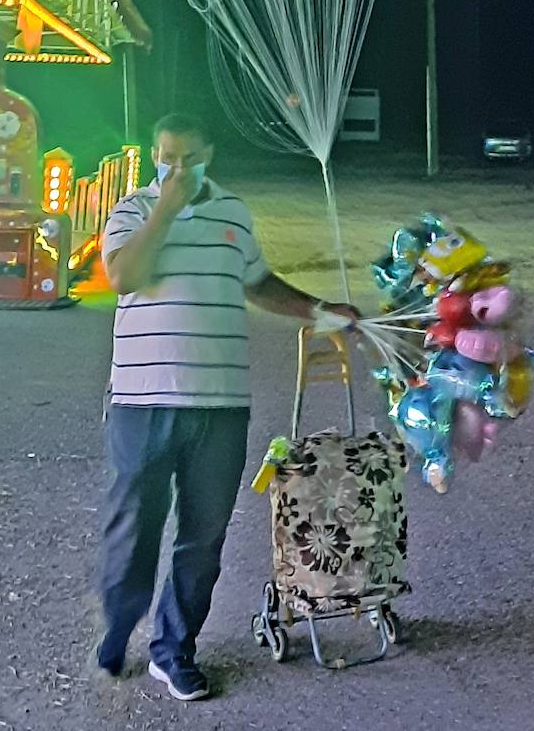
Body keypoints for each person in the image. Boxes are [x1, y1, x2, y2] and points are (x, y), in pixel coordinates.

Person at [94, 113, 360, 702]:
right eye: (167, 158)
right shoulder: (133, 210)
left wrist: (323, 312)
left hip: (220, 405)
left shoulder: (233, 214)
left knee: (203, 535)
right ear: (153, 157)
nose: (178, 169)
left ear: (210, 154)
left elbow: (260, 283)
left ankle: (174, 649)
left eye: (189, 158)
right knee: (133, 527)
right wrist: (166, 207)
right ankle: (120, 623)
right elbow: (121, 275)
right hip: (144, 401)